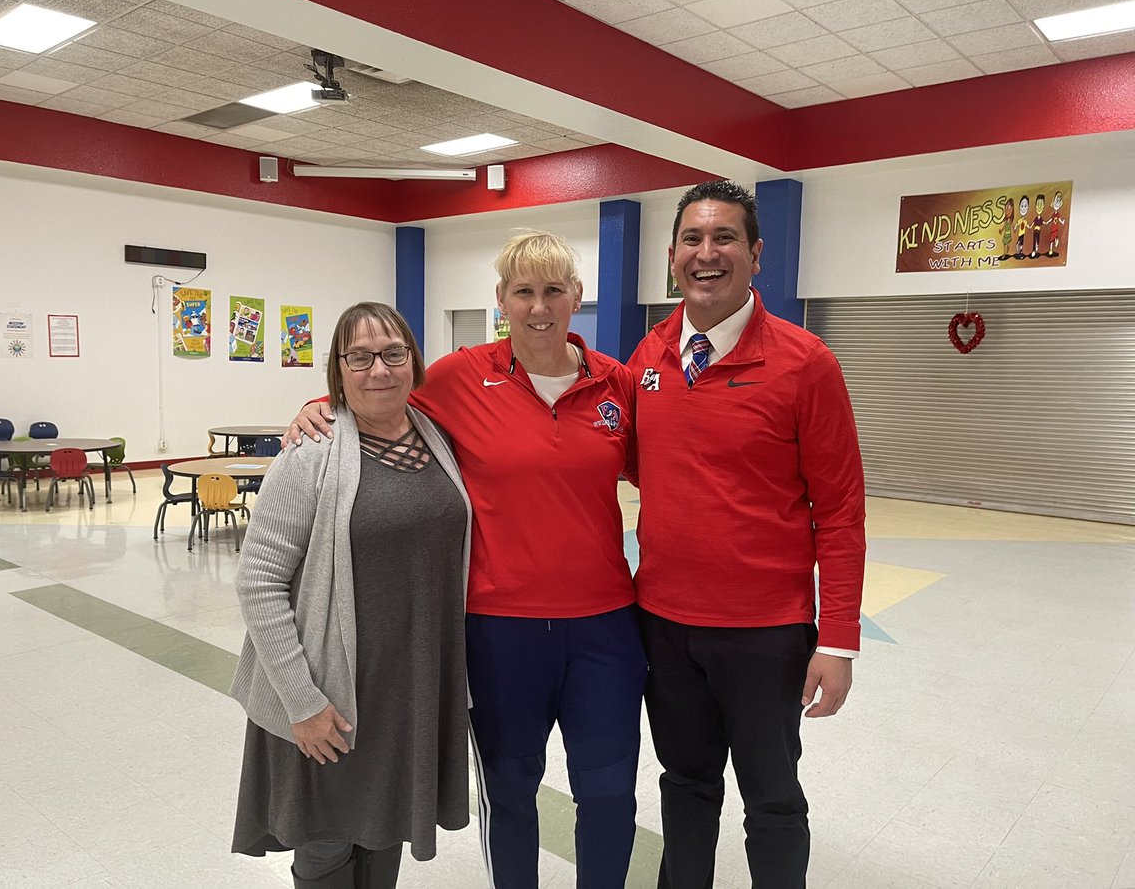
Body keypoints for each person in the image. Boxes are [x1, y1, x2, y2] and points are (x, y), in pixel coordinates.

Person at [286, 231, 646, 889]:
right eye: (524, 292)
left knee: (610, 792)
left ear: (578, 298)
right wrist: (321, 405)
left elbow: (670, 478)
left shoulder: (615, 383)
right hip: (497, 628)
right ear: (502, 300)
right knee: (509, 792)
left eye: (554, 290)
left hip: (606, 630)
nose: (540, 307)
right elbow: (380, 402)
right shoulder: (460, 376)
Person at [628, 180, 866, 888]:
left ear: (756, 254)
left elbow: (842, 511)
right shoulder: (648, 358)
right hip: (664, 626)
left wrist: (838, 641)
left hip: (765, 634)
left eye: (724, 238)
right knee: (685, 783)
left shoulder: (806, 364)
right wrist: (350, 400)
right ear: (672, 256)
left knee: (773, 801)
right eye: (693, 240)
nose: (708, 253)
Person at [230, 302, 473, 889]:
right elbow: (258, 581)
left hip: (409, 686)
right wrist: (302, 703)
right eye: (359, 357)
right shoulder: (310, 453)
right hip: (329, 688)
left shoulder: (438, 438)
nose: (379, 370)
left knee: (386, 827)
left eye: (393, 354)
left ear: (414, 363)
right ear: (338, 372)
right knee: (327, 844)